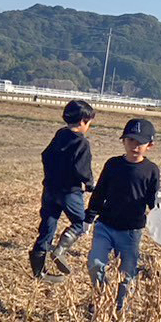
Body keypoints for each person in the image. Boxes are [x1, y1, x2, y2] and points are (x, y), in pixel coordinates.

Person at [86, 117, 161, 311]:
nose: (134, 146)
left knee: (127, 272)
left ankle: (121, 306)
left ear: (150, 145)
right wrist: (89, 216)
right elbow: (100, 191)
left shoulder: (151, 170)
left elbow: (152, 201)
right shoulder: (113, 164)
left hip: (131, 231)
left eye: (140, 142)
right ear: (123, 141)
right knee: (95, 264)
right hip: (105, 225)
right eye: (130, 141)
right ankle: (101, 299)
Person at [29, 99, 95, 283]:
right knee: (79, 223)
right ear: (83, 121)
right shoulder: (81, 143)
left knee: (48, 225)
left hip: (50, 189)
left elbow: (46, 155)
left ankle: (39, 273)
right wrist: (90, 184)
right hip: (69, 191)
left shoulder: (60, 134)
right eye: (89, 123)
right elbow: (82, 169)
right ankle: (59, 250)